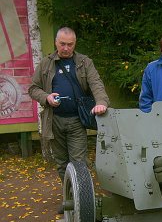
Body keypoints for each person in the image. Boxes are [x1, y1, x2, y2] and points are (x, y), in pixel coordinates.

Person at [29, 27, 110, 188]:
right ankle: (70, 199)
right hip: (54, 121)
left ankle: (83, 199)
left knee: (79, 163)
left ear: (75, 44)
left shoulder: (84, 62)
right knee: (61, 164)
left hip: (76, 121)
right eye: (62, 44)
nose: (66, 48)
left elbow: (96, 83)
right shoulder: (46, 63)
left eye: (70, 44)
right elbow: (33, 88)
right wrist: (46, 97)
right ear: (56, 43)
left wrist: (101, 102)